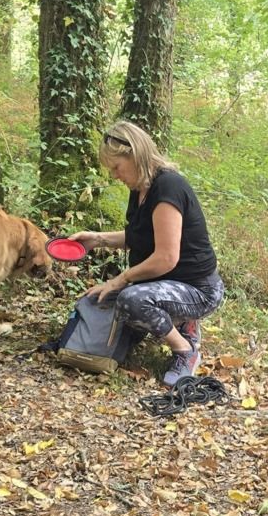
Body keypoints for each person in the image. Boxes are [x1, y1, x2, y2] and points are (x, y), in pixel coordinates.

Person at [68, 120, 224, 387]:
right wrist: (97, 239)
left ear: (135, 154)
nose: (115, 175)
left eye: (117, 167)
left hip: (198, 289)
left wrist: (120, 279)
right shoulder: (140, 188)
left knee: (130, 300)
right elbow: (141, 236)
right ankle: (180, 321)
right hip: (165, 283)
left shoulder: (168, 187)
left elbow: (166, 257)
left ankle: (185, 349)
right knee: (99, 299)